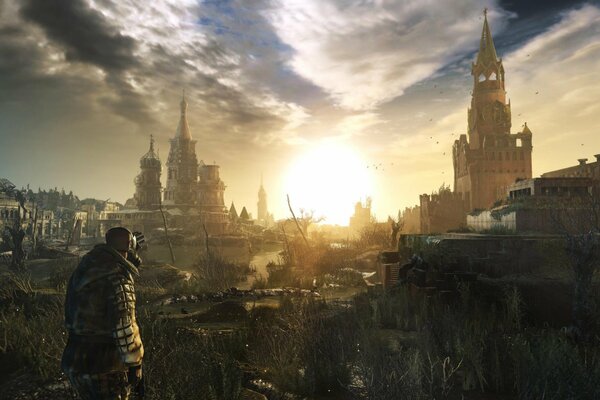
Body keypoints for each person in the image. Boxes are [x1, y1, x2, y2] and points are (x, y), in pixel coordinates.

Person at [61, 227, 144, 400]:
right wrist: (135, 363)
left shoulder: (87, 268)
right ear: (128, 247)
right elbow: (124, 325)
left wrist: (128, 264)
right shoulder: (117, 276)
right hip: (105, 365)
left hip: (76, 359)